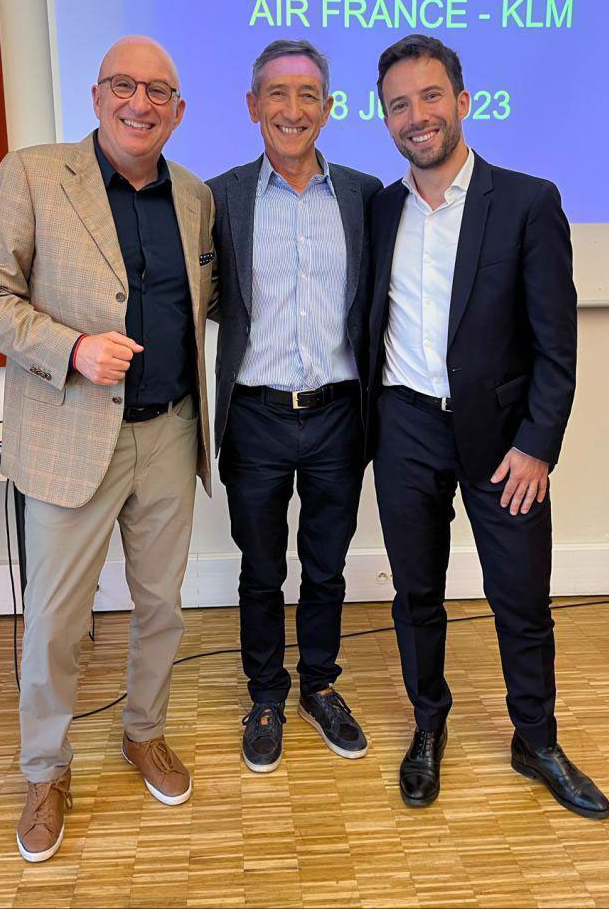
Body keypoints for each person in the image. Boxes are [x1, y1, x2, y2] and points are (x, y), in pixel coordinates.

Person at [0, 36, 216, 862]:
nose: (141, 103)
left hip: (171, 431)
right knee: (57, 622)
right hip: (72, 435)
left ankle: (144, 731)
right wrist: (71, 347)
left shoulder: (196, 196)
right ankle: (45, 768)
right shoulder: (31, 174)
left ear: (179, 110)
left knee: (163, 606)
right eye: (125, 86)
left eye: (159, 92)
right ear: (97, 93)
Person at [366, 34, 609, 819]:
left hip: (506, 441)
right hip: (405, 427)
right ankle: (427, 724)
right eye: (399, 104)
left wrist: (538, 443)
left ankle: (534, 738)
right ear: (386, 119)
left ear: (463, 102)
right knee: (416, 593)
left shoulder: (528, 202)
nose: (417, 115)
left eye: (430, 96)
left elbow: (555, 342)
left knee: (521, 597)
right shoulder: (380, 210)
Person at [207, 40, 382, 772]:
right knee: (260, 567)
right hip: (256, 413)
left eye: (308, 94)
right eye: (276, 94)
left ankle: (319, 685)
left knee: (328, 564)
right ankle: (266, 694)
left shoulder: (368, 195)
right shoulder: (217, 197)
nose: (292, 108)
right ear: (253, 107)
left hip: (340, 413)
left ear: (329, 108)